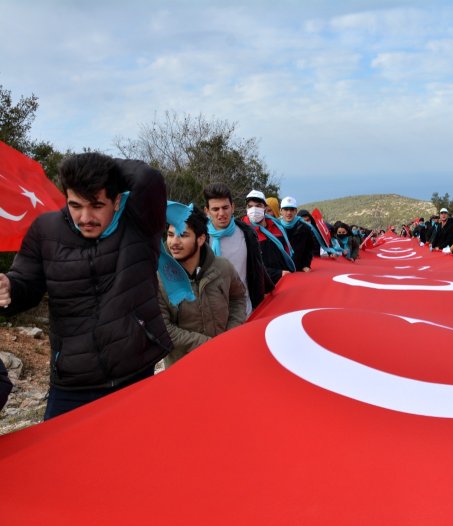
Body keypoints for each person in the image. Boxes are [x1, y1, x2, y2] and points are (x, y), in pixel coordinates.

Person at [0, 153, 172, 419]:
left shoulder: (139, 220)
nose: (85, 217)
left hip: (135, 372)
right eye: (76, 205)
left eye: (96, 205)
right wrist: (9, 289)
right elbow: (27, 283)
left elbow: (147, 178)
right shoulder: (46, 230)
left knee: (137, 456)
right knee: (60, 459)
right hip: (72, 382)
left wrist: (98, 167)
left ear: (116, 201)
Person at [158, 206, 247, 367]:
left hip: (225, 359)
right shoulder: (159, 278)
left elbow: (238, 298)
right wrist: (209, 345)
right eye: (170, 235)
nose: (174, 242)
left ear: (200, 239)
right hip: (183, 369)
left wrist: (231, 335)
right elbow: (163, 328)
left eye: (183, 235)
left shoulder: (223, 268)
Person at [203, 183, 271, 316]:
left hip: (245, 312)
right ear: (207, 211)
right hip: (212, 315)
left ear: (233, 207)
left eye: (225, 208)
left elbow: (257, 268)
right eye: (215, 209)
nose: (221, 214)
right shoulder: (200, 238)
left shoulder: (247, 234)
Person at [241, 190, 295, 285]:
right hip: (261, 287)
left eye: (258, 206)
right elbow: (249, 266)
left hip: (284, 282)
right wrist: (278, 274)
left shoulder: (277, 227)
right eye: (250, 206)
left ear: (265, 208)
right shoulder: (243, 232)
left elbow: (286, 252)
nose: (254, 210)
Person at [278, 196, 316, 272]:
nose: (289, 213)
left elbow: (309, 248)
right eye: (286, 209)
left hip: (299, 269)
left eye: (292, 209)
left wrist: (306, 264)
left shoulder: (305, 227)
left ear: (296, 211)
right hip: (281, 270)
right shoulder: (276, 227)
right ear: (281, 211)